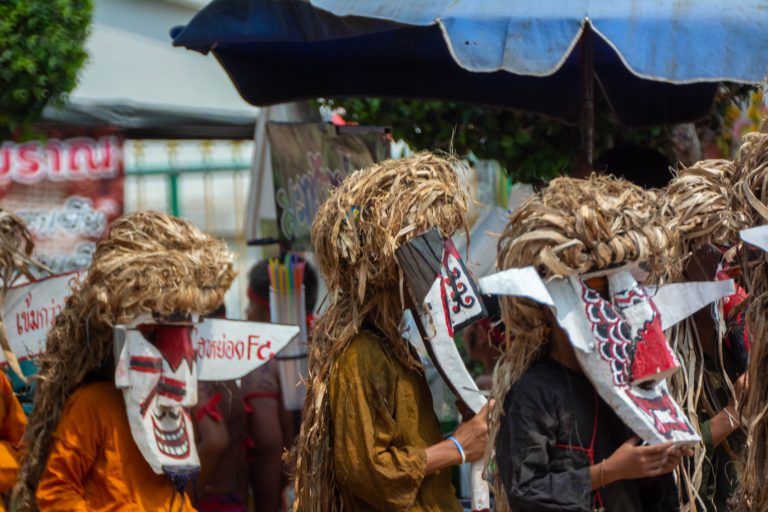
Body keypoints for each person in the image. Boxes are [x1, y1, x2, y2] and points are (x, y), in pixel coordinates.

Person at [293, 153, 491, 511]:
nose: (438, 267)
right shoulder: (361, 353)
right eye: (428, 252)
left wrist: (466, 423)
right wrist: (458, 447)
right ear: (393, 270)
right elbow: (369, 470)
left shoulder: (394, 346)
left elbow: (406, 448)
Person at [490, 175, 692, 512]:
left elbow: (647, 493)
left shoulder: (626, 388)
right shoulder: (533, 394)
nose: (610, 306)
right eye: (595, 291)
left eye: (617, 291)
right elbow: (524, 491)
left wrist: (655, 463)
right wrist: (608, 472)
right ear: (550, 306)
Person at [14, 211, 236, 512]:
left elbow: (170, 497)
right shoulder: (92, 404)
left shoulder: (169, 405)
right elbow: (56, 493)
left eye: (186, 333)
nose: (179, 356)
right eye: (157, 335)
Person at [664, 159, 751, 511]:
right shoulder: (661, 331)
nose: (728, 257)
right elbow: (658, 457)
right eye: (716, 246)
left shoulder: (733, 319)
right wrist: (731, 416)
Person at [241, 257, 318, 512]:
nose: (246, 312)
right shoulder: (325, 345)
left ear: (267, 309)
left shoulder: (265, 365)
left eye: (250, 303)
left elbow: (268, 445)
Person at [193, 304, 249, 512]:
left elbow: (217, 441)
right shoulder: (227, 375)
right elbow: (240, 455)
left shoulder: (197, 377)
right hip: (231, 499)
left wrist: (186, 494)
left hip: (212, 502)